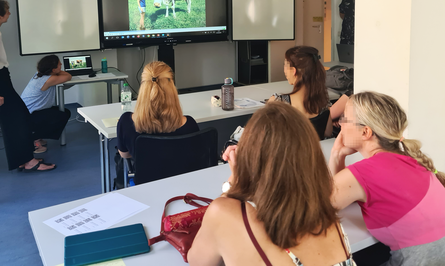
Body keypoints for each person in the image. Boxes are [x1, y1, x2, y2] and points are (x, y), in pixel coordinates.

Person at [188, 102, 356, 266]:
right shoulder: (327, 214)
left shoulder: (225, 213)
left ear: (250, 157)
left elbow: (197, 261)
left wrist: (234, 184)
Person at [329, 91, 445, 265]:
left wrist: (336, 154)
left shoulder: (363, 172)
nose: (339, 124)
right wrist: (338, 156)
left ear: (365, 132)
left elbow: (317, 207)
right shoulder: (409, 160)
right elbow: (345, 194)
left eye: (345, 118)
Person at [0, 0, 55, 172]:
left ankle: (24, 160)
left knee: (17, 121)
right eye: (7, 11)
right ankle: (28, 162)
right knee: (18, 122)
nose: (9, 13)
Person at [117, 61, 199, 161]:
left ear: (143, 87)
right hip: (182, 176)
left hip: (146, 176)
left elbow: (124, 155)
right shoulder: (189, 125)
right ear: (172, 88)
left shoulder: (125, 122)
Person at [269, 46, 333, 139]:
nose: (284, 71)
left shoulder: (277, 103)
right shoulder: (323, 104)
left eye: (285, 66)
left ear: (293, 71)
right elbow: (328, 133)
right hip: (315, 152)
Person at [21, 55, 72, 151]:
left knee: (65, 112)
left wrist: (56, 71)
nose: (61, 64)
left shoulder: (39, 74)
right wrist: (58, 72)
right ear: (53, 69)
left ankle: (38, 136)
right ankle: (34, 140)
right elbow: (68, 76)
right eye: (59, 64)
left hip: (28, 111)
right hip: (30, 115)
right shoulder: (49, 79)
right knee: (62, 116)